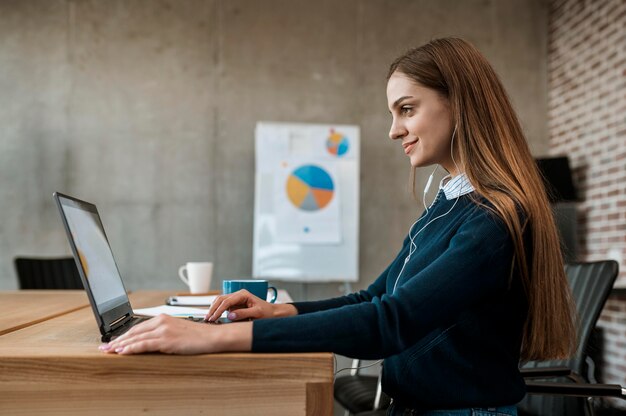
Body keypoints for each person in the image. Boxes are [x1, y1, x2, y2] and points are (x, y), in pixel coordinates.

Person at [100, 38, 576, 416]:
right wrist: (282, 314)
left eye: (406, 109)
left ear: (462, 104)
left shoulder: (493, 218)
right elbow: (373, 299)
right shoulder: (449, 206)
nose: (393, 130)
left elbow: (392, 324)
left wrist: (213, 337)